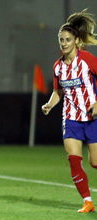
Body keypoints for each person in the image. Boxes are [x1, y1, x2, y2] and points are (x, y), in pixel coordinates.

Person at [42, 9, 97, 213]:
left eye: (67, 39)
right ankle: (88, 201)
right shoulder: (58, 67)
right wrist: (50, 103)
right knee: (74, 159)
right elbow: (58, 91)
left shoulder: (88, 60)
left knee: (95, 162)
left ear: (76, 41)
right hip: (71, 118)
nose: (63, 43)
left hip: (92, 118)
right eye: (61, 40)